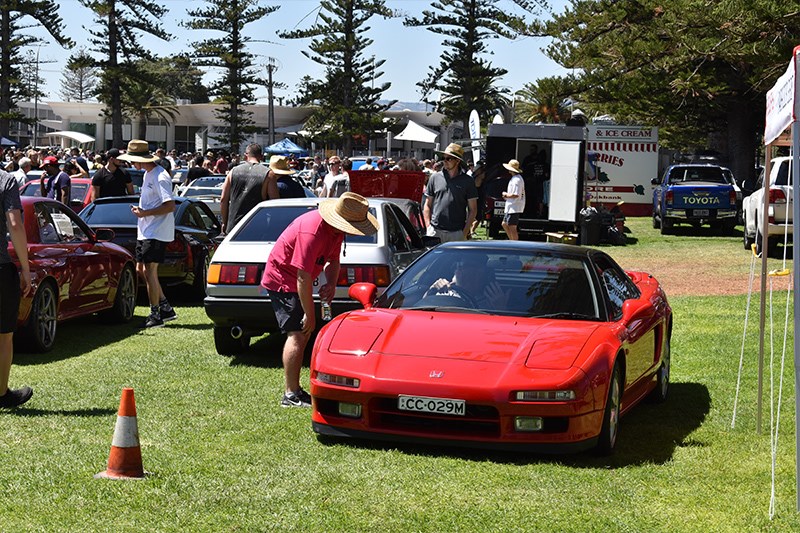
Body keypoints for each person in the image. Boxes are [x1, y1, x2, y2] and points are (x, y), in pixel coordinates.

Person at [261, 192, 379, 407]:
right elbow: (302, 278)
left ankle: (295, 390)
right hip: (283, 280)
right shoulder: (312, 231)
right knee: (298, 334)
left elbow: (333, 261)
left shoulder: (336, 231)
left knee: (303, 334)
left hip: (298, 280)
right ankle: (290, 394)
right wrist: (309, 314)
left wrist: (331, 284)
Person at [118, 140, 177, 329]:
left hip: (156, 230)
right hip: (146, 229)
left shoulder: (160, 176)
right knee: (141, 269)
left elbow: (170, 206)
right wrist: (142, 212)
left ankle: (156, 313)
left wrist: (144, 213)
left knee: (150, 270)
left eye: (133, 160)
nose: (131, 164)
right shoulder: (148, 174)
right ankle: (165, 308)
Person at [0, 167, 33, 408]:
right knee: (3, 335)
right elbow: (15, 223)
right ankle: (1, 393)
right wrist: (26, 268)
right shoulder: (6, 180)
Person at [423, 143, 478, 243]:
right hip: (435, 231)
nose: (444, 161)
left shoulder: (468, 181)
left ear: (457, 161)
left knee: (456, 259)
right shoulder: (435, 177)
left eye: (448, 159)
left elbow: (473, 210)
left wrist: (464, 232)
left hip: (457, 233)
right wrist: (428, 226)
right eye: (443, 158)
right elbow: (427, 204)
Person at [220, 143, 272, 235]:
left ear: (245, 156)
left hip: (234, 227)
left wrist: (225, 222)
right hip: (258, 227)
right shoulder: (268, 174)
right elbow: (275, 203)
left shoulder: (232, 172)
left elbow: (223, 200)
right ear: (261, 156)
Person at [424, 253, 508, 309]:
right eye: (458, 266)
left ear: (482, 273)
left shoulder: (492, 299)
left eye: (466, 266)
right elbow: (423, 310)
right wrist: (431, 291)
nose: (459, 269)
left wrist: (501, 307)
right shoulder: (445, 292)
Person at [501, 159, 526, 240]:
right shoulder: (515, 178)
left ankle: (515, 242)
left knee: (512, 227)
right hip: (511, 206)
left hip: (514, 206)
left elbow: (516, 194)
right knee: (505, 224)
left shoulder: (517, 180)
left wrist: (506, 195)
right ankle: (511, 240)